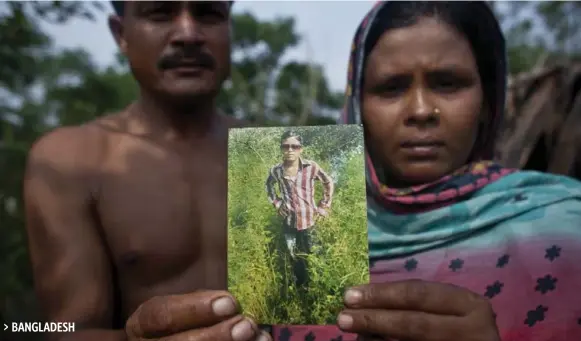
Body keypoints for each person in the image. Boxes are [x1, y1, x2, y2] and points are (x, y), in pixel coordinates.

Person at [271, 2, 581, 341]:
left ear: (487, 103)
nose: (420, 111)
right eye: (391, 88)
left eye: (447, 83)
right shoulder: (302, 233)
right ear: (357, 108)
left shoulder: (565, 227)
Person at [23, 2, 272, 341]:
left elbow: (324, 313)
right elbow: (60, 331)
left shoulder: (278, 153)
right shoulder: (70, 161)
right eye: (160, 13)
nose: (188, 34)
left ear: (229, 27)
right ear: (121, 34)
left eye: (208, 14)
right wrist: (135, 337)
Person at [265, 130, 334, 291]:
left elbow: (328, 182)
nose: (290, 150)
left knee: (315, 253)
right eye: (286, 146)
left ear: (300, 149)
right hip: (288, 223)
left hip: (309, 221)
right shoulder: (276, 170)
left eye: (294, 146)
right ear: (281, 148)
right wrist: (276, 203)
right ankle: (301, 288)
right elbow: (268, 186)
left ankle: (321, 288)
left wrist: (324, 206)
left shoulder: (311, 167)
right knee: (294, 256)